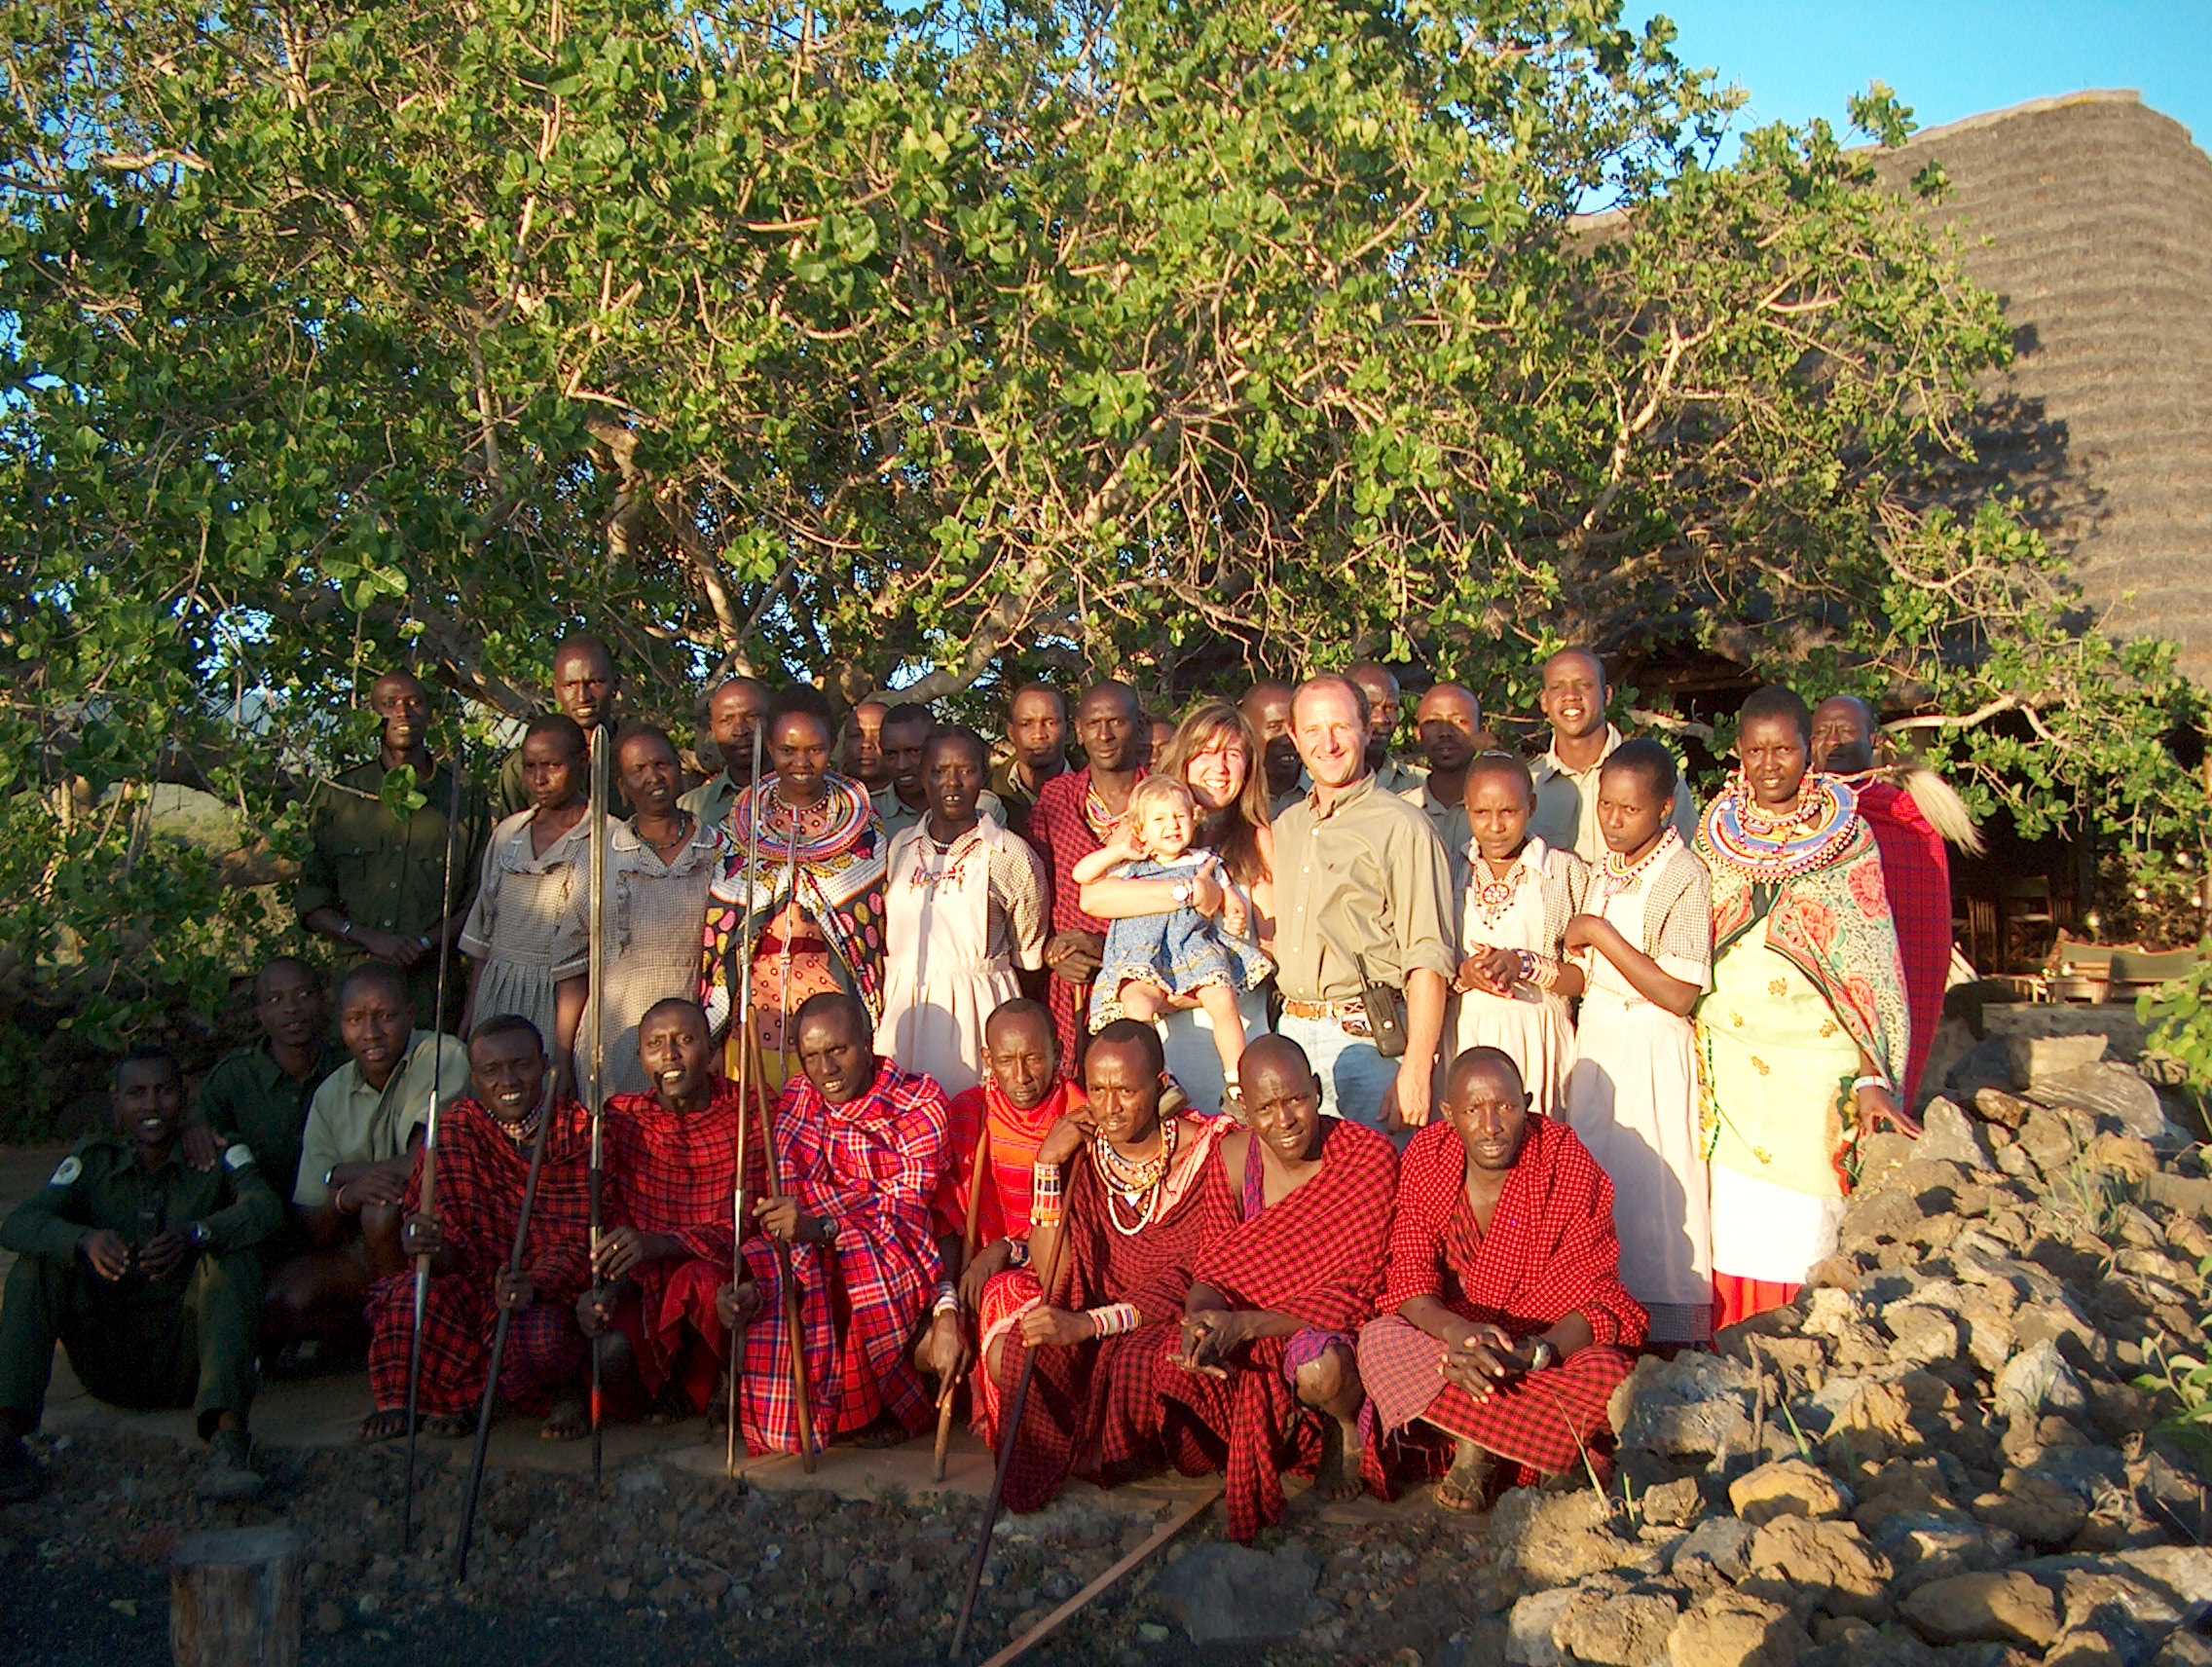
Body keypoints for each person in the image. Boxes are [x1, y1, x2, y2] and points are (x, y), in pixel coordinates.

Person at [1698, 687, 1912, 1329]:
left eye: (1784, 748)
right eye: (1757, 750)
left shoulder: (1850, 839)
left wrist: (1874, 1074)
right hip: (1729, 1063)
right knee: (1732, 1220)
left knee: (1807, 1221)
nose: (1770, 764)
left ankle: (1804, 1338)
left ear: (1809, 750)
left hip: (1819, 1063)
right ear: (1738, 752)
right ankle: (1729, 1351)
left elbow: (1873, 963)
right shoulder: (1711, 836)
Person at [1357, 1048, 1646, 1512]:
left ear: (1527, 1103)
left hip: (1537, 1350)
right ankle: (1532, 1447)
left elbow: (1599, 1300)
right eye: (1473, 1110)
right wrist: (1459, 1335)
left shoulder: (1566, 1163)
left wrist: (1533, 1353)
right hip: (1451, 1344)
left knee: (1608, 1374)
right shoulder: (1427, 1158)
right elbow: (1410, 1282)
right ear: (1450, 1114)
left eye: (1506, 1108)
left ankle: (1476, 1440)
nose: (1490, 1127)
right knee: (1378, 1341)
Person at [0, 1047, 281, 1503]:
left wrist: (197, 1233)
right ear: (116, 1106)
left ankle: (230, 1442)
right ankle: (5, 1440)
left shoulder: (219, 1154)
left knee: (231, 1257)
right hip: (110, 1358)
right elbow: (18, 1225)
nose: (151, 1105)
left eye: (163, 1091)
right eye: (136, 1094)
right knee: (38, 1263)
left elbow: (265, 1209)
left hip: (190, 1360)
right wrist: (83, 1239)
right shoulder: (93, 1163)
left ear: (184, 1099)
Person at [986, 1020, 1236, 1514]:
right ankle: (1054, 1470)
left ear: (1161, 1086)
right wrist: (1046, 1165)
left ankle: (1130, 1454)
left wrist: (1086, 1325)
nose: (1110, 1107)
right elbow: (1055, 1276)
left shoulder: (1209, 1150)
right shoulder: (1084, 1154)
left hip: (1169, 1319)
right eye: (1097, 1091)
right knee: (1020, 1349)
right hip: (1092, 1315)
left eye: (1126, 1090)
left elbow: (1196, 1279)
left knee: (1144, 1364)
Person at [1155, 1036, 1397, 1542]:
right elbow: (1213, 1270)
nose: (1284, 1119)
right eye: (1266, 1107)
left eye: (1296, 1100)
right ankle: (1275, 1440)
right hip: (1250, 1327)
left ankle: (1346, 1425)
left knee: (1320, 1370)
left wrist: (1245, 1325)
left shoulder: (1365, 1156)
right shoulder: (1233, 1159)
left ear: (1317, 1090)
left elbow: (1360, 1289)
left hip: (1332, 1330)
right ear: (1243, 1107)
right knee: (1165, 1366)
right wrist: (1200, 1321)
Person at [729, 993, 951, 1446]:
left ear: (868, 1043)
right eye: (810, 1056)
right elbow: (786, 1197)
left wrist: (822, 1223)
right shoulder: (799, 1099)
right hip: (814, 1251)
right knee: (761, 1267)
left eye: (838, 1051)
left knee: (865, 1260)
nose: (825, 1069)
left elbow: (902, 1209)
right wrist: (820, 1219)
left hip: (896, 1253)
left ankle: (880, 1408)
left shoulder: (918, 1101)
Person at [360, 1018, 594, 1442]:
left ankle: (566, 1394)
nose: (508, 1080)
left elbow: (586, 1238)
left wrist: (533, 1283)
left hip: (546, 1291)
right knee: (408, 1301)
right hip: (477, 1285)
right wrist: (426, 1241)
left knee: (544, 1336)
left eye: (521, 1065)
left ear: (545, 1066)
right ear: (474, 1078)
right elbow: (446, 1247)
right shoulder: (456, 1131)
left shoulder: (578, 1130)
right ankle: (449, 1402)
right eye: (491, 1071)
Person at [1560, 741, 1714, 1345]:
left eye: (1630, 810)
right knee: (1600, 1189)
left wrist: (1598, 931)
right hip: (1599, 1043)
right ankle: (1603, 1322)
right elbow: (1580, 972)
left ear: (1666, 809)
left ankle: (1668, 1335)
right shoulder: (1605, 867)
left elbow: (1678, 992)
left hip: (1650, 1046)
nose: (1614, 821)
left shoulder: (1682, 874)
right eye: (1605, 806)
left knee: (1654, 1189)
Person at [1271, 675, 1456, 1134]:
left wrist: (1416, 1067)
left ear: (1367, 729)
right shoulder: (1285, 827)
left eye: (1341, 727)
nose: (1327, 743)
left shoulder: (1403, 827)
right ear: (1295, 737)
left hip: (1369, 1041)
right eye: (1312, 730)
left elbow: (1428, 954)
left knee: (1380, 1194)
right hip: (1291, 1038)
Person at [581, 1000, 774, 1436]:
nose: (669, 1055)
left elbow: (754, 1223)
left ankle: (729, 1389)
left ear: (710, 1050)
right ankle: (664, 1393)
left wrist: (663, 1242)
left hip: (720, 1291)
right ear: (640, 1058)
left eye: (684, 1041)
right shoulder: (624, 1120)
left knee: (701, 1282)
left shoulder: (751, 1113)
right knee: (606, 1350)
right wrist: (607, 1283)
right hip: (645, 1289)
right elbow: (605, 1216)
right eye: (655, 1045)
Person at [1083, 700, 1277, 1112]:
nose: (1219, 766)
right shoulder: (1143, 826)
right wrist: (1189, 892)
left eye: (1233, 754)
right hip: (1165, 1029)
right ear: (1184, 756)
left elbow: (1269, 947)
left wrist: (1201, 979)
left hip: (1232, 1020)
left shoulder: (1257, 839)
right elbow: (1094, 896)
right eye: (1206, 751)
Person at [265, 960, 470, 1351]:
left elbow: (420, 1164)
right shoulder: (330, 1094)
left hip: (438, 1233)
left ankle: (404, 1344)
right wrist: (346, 1196)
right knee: (281, 1305)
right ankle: (377, 1334)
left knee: (382, 1211)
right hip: (361, 1247)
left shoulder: (442, 1054)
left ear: (410, 1014)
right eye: (356, 1019)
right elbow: (312, 1219)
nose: (371, 1033)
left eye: (385, 1016)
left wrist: (344, 1172)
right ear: (340, 1023)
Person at [699, 684, 887, 1091]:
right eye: (787, 750)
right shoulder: (739, 827)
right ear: (769, 745)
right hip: (753, 1011)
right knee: (756, 1138)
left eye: (815, 749)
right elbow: (722, 931)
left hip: (832, 1013)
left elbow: (867, 935)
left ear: (833, 745)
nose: (801, 762)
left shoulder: (862, 828)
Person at [295, 668, 490, 1025]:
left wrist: (424, 944)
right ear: (373, 715)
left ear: (430, 714)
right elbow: (311, 899)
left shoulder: (464, 797)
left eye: (414, 702)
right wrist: (368, 938)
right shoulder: (341, 796)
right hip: (356, 986)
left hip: (434, 990)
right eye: (390, 704)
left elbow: (480, 899)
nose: (403, 712)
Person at [1811, 695, 1978, 1107]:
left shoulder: (1904, 816)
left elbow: (1921, 919)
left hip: (1886, 983)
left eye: (1846, 731)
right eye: (1821, 732)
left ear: (1875, 740)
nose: (1833, 741)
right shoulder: (1788, 813)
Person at [932, 999, 1086, 1438]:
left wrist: (1007, 1249)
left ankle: (1017, 1438)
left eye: (1034, 1058)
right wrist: (949, 1299)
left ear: (1058, 1051)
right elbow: (949, 1216)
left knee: (1003, 1292)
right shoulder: (970, 1113)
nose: (1021, 1077)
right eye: (1006, 1061)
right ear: (987, 1060)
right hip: (976, 1268)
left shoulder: (1077, 1114)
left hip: (1056, 1267)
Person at [878, 727, 1049, 1096]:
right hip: (905, 1009)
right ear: (923, 776)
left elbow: (1029, 958)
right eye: (939, 771)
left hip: (979, 1010)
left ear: (983, 777)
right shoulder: (901, 848)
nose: (951, 783)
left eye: (965, 771)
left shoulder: (1010, 854)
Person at [574, 724, 727, 1099]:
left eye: (661, 764)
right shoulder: (598, 856)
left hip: (698, 1035)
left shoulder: (720, 849)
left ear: (679, 770)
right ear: (622, 787)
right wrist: (563, 1055)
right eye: (638, 770)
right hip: (615, 1032)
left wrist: (721, 1038)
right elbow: (572, 965)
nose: (653, 777)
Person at [1450, 754, 1590, 1118]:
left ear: (1531, 806)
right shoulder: (1450, 869)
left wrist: (1524, 964)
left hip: (1538, 1035)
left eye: (1509, 812)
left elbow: (1584, 978)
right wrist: (1466, 975)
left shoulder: (1563, 871)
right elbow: (1429, 962)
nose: (1495, 826)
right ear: (1466, 808)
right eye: (1481, 813)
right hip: (1467, 1031)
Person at [1027, 681, 1149, 1074]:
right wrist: (1052, 953)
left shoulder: (1164, 801)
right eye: (1094, 723)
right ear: (1078, 730)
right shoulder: (1057, 799)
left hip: (1145, 984)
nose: (1105, 735)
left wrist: (1104, 946)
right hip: (1070, 986)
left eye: (1117, 722)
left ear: (1140, 726)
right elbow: (1034, 892)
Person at [457, 714, 590, 1066]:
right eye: (530, 767)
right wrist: (472, 1012)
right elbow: (483, 937)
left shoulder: (607, 838)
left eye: (553, 766)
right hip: (497, 995)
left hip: (563, 1003)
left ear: (583, 762)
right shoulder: (507, 834)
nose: (539, 779)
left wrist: (565, 1053)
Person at [188, 957, 345, 1223]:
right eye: (275, 1000)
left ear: (323, 1000)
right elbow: (198, 1135)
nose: (291, 1009)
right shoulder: (234, 1077)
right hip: (259, 1224)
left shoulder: (348, 1068)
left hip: (334, 1220)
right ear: (259, 1014)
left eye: (303, 995)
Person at [1527, 648, 1696, 864]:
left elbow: (1689, 860)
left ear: (1607, 695)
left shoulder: (1652, 777)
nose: (1570, 696)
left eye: (1584, 685)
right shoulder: (1527, 785)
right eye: (1557, 687)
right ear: (1544, 701)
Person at [495, 633, 625, 818]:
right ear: (556, 690)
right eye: (570, 685)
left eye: (594, 683)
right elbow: (510, 839)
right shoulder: (524, 766)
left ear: (615, 684)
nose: (582, 697)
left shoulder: (638, 759)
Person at [872, 701, 1005, 839]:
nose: (902, 765)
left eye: (914, 751)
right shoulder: (870, 813)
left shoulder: (980, 804)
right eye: (890, 754)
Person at [678, 675, 769, 831]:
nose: (740, 730)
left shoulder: (815, 800)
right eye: (727, 720)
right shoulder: (689, 809)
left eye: (752, 717)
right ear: (713, 729)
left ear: (775, 720)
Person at [989, 683, 1070, 840]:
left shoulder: (1094, 788)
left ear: (1069, 729)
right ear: (1011, 732)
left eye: (1050, 723)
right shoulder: (989, 792)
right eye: (1026, 724)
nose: (1038, 734)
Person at [1412, 684, 1482, 846]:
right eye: (1432, 722)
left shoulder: (1500, 812)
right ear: (1418, 733)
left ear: (1482, 731)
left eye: (1459, 721)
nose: (1445, 733)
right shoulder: (1400, 810)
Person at [1346, 662, 1427, 800]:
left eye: (1391, 708)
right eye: (1370, 707)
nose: (1381, 719)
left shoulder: (1420, 785)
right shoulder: (1311, 784)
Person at [1239, 679, 1307, 814]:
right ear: (1247, 732)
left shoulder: (1325, 789)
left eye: (1295, 725)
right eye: (1275, 727)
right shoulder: (1231, 793)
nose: (1289, 739)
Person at [843, 696, 894, 797]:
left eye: (878, 736)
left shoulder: (924, 800)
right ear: (844, 745)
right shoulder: (826, 798)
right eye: (856, 735)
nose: (866, 744)